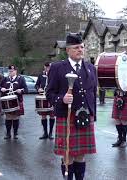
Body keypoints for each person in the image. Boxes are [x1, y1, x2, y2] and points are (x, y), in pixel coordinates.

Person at [46, 33, 97, 180]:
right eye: (76, 47)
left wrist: (93, 114)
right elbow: (49, 93)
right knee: (67, 154)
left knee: (81, 154)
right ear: (68, 50)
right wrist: (61, 98)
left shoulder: (90, 68)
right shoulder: (57, 68)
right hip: (67, 116)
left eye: (82, 47)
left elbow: (93, 92)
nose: (80, 50)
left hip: (85, 116)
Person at [0, 65, 28, 140]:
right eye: (9, 71)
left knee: (15, 117)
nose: (10, 72)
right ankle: (8, 133)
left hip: (17, 100)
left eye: (12, 71)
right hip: (7, 102)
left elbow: (26, 89)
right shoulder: (5, 79)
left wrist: (21, 90)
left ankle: (15, 134)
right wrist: (1, 88)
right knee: (8, 118)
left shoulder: (21, 79)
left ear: (15, 71)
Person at [35, 62, 55, 140]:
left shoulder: (54, 75)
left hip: (51, 98)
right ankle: (45, 133)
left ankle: (50, 133)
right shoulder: (41, 75)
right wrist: (38, 88)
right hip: (42, 97)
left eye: (49, 67)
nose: (47, 69)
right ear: (44, 67)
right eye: (46, 67)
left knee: (52, 115)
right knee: (43, 116)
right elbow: (36, 85)